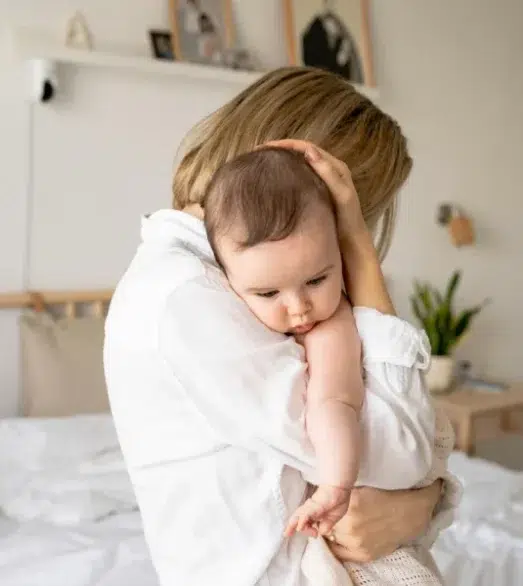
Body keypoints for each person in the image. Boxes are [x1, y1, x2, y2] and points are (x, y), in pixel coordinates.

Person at [104, 67, 460, 586]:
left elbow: (391, 454)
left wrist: (423, 501)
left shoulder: (234, 281)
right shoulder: (186, 297)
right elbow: (400, 453)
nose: (295, 303)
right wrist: (362, 255)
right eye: (357, 210)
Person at [203, 147, 453, 585]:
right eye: (267, 294)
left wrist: (336, 487)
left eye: (317, 279)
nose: (299, 308)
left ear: (339, 254)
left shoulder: (330, 328)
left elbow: (333, 403)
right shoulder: (204, 313)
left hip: (368, 541)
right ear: (226, 280)